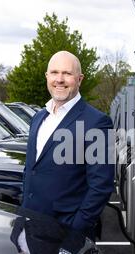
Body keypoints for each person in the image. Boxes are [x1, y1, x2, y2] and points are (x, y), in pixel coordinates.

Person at [21, 50, 114, 241]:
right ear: (47, 77)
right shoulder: (38, 118)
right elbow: (31, 171)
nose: (60, 79)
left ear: (79, 79)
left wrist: (74, 232)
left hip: (66, 236)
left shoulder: (97, 122)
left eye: (67, 73)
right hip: (30, 231)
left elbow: (101, 187)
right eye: (54, 72)